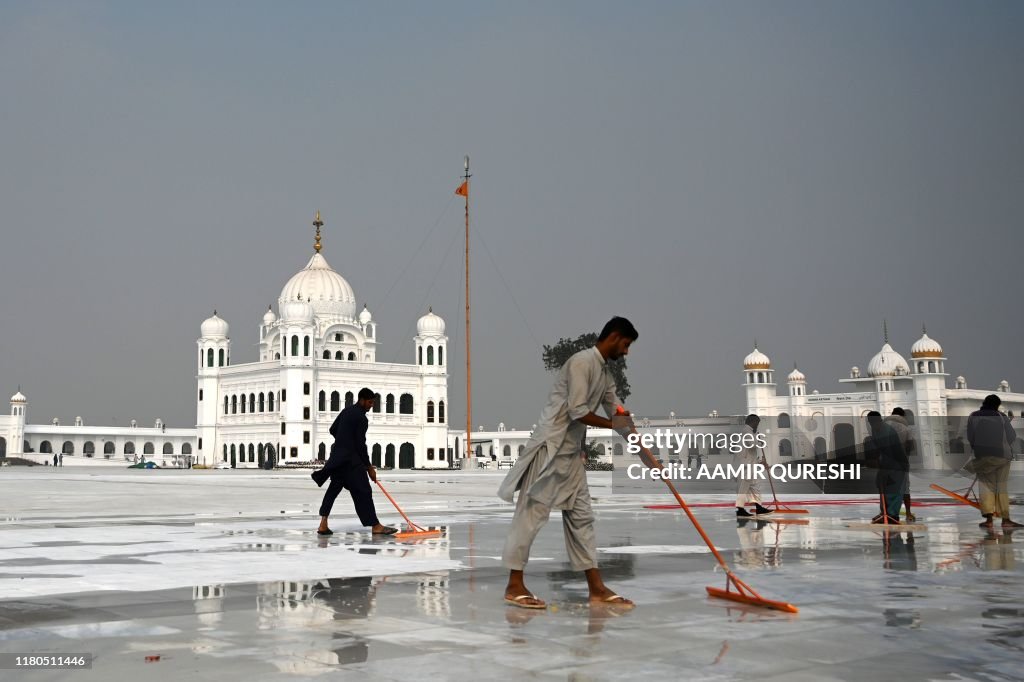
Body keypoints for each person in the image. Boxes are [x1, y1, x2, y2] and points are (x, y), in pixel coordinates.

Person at [498, 317, 638, 609]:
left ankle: (596, 588)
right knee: (531, 516)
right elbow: (578, 412)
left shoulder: (604, 373)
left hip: (571, 455)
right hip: (550, 450)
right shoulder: (581, 363)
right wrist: (614, 424)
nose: (626, 352)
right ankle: (514, 584)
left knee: (581, 517)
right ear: (613, 337)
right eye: (625, 345)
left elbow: (616, 410)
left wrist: (633, 433)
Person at [311, 387, 397, 536]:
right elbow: (360, 445)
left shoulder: (346, 411)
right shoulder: (361, 418)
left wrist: (343, 441)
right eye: (370, 402)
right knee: (364, 492)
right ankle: (375, 526)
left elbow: (333, 430)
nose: (371, 405)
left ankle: (323, 524)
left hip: (338, 460)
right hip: (352, 463)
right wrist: (369, 467)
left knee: (332, 491)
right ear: (362, 400)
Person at [967, 394, 1022, 529]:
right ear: (997, 405)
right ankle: (1006, 520)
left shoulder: (973, 416)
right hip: (1002, 456)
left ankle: (989, 520)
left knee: (986, 487)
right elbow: (1012, 436)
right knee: (1001, 487)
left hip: (983, 456)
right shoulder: (1001, 417)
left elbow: (970, 436)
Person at [866, 411, 907, 524]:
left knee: (893, 488)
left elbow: (891, 451)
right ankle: (884, 512)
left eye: (874, 422)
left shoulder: (887, 431)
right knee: (881, 485)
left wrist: (885, 467)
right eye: (870, 423)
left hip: (897, 463)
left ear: (880, 420)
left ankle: (893, 515)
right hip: (886, 461)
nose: (872, 425)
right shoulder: (875, 430)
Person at [735, 414, 773, 517]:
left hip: (751, 466)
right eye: (757, 423)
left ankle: (759, 508)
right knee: (743, 488)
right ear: (753, 422)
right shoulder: (746, 431)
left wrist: (760, 462)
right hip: (745, 467)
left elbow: (751, 452)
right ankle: (740, 510)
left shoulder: (750, 432)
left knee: (755, 487)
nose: (757, 425)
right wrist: (759, 441)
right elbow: (750, 444)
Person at [884, 407, 917, 521]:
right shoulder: (906, 428)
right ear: (902, 416)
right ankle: (908, 513)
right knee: (904, 488)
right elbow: (911, 447)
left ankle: (886, 512)